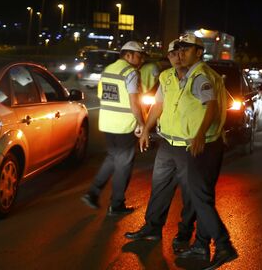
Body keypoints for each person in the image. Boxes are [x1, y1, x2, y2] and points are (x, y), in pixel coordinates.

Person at [170, 33, 238, 269]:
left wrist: (200, 133)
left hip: (203, 144)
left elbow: (211, 105)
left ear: (198, 52)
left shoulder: (199, 76)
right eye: (179, 49)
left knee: (200, 199)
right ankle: (200, 244)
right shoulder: (205, 74)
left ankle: (223, 245)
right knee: (204, 197)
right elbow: (225, 104)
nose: (181, 53)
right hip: (211, 142)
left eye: (186, 49)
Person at [124, 39, 197, 253]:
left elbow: (210, 109)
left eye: (181, 53)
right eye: (172, 54)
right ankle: (152, 228)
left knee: (189, 193)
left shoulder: (201, 77)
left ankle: (184, 235)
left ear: (190, 54)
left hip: (188, 146)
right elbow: (157, 105)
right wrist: (146, 130)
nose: (176, 57)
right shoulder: (166, 77)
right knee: (160, 188)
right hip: (167, 143)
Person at [81, 41, 146, 216]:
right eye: (139, 55)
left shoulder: (108, 70)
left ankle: (92, 193)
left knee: (112, 158)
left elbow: (102, 95)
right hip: (123, 125)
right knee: (123, 165)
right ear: (129, 55)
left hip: (107, 123)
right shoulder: (130, 72)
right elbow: (134, 101)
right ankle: (116, 205)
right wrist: (142, 123)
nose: (141, 60)